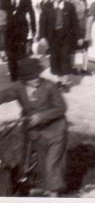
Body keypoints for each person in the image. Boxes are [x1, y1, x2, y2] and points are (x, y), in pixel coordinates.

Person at [0, 58, 68, 197]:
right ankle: (48, 189)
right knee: (43, 164)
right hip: (36, 133)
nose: (36, 79)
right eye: (31, 78)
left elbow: (61, 108)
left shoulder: (49, 86)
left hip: (56, 131)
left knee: (52, 164)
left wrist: (43, 116)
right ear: (25, 79)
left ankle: (54, 194)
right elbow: (2, 96)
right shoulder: (19, 88)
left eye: (37, 75)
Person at [39, 0, 80, 91]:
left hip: (66, 36)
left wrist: (79, 36)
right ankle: (59, 80)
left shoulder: (69, 6)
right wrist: (42, 36)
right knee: (55, 58)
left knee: (65, 58)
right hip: (52, 37)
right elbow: (42, 22)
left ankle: (64, 83)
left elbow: (75, 23)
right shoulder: (47, 6)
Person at [4, 0, 36, 81]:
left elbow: (31, 15)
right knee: (10, 55)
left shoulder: (26, 0)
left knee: (20, 55)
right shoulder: (5, 0)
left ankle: (21, 76)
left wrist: (33, 30)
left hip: (21, 33)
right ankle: (14, 78)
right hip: (9, 34)